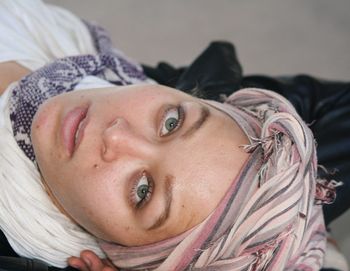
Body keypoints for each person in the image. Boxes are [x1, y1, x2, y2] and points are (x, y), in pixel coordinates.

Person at [0, 1, 349, 271]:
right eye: (172, 122)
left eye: (142, 191)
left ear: (125, 258)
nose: (117, 134)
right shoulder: (104, 68)